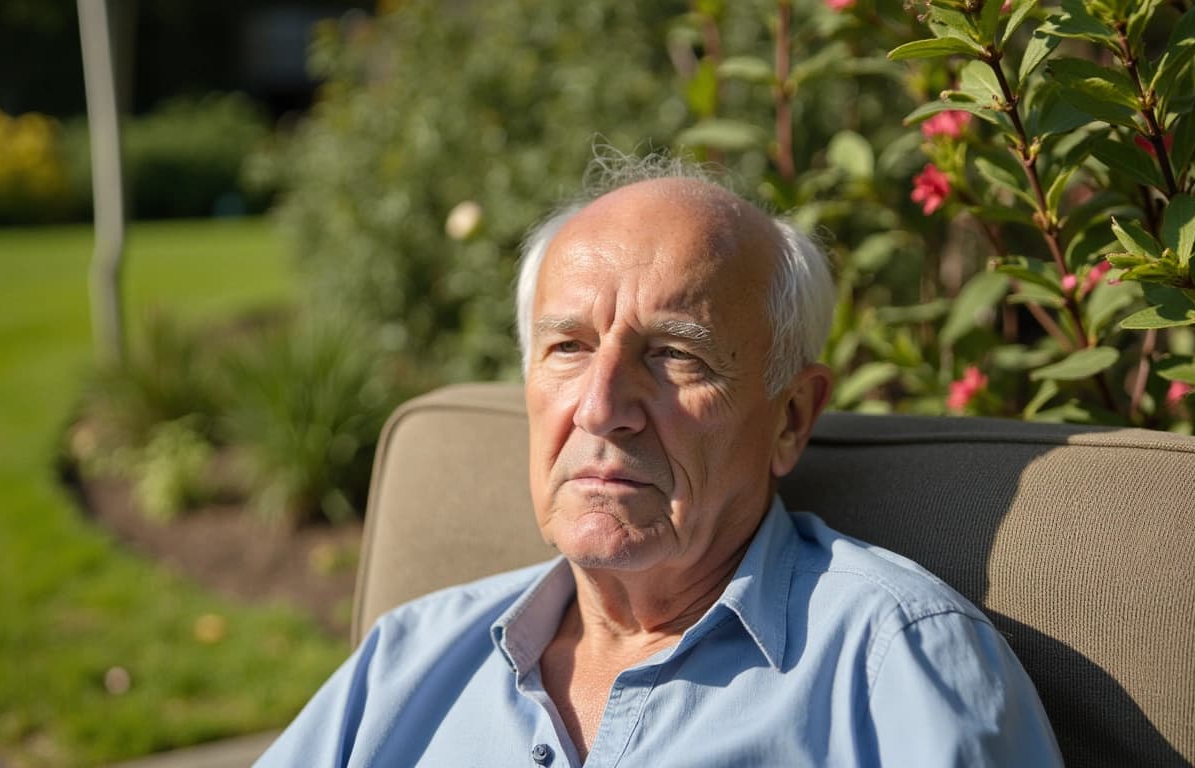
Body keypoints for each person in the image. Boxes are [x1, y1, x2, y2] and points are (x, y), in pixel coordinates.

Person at [256, 156, 1063, 767]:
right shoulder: (410, 659)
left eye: (675, 355)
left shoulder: (896, 664)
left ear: (791, 418)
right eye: (568, 347)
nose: (601, 406)